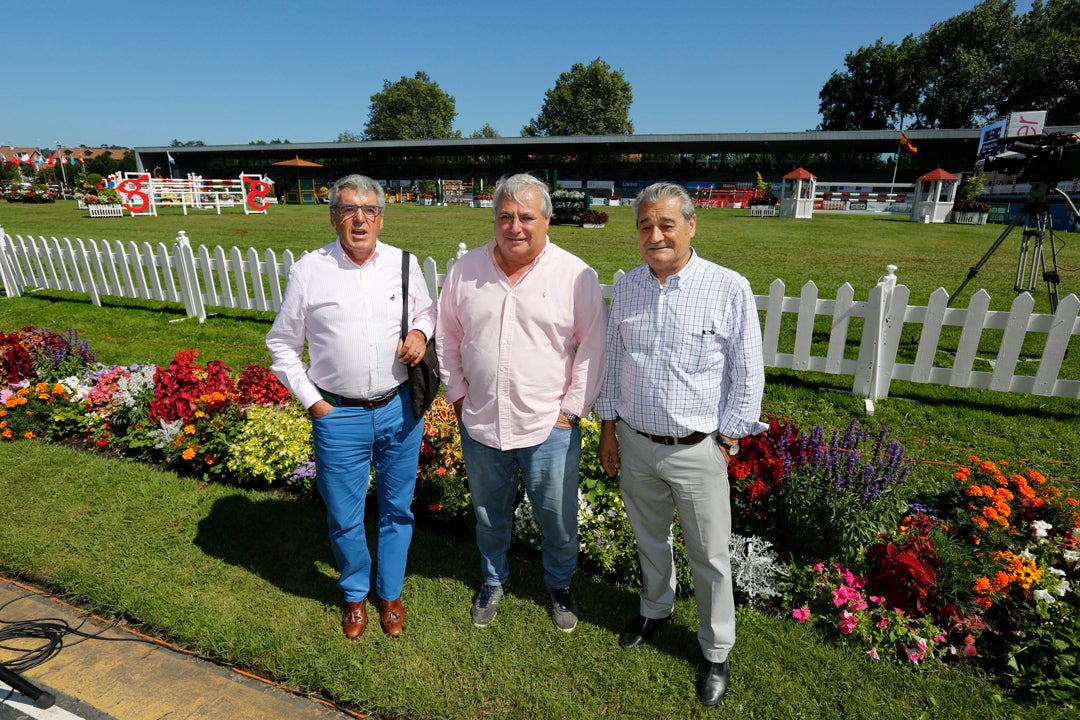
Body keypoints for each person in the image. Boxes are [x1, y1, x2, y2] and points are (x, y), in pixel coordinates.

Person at [596, 182, 766, 706]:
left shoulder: (727, 287)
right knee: (650, 539)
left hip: (698, 448)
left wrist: (729, 437)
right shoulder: (627, 287)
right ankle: (655, 609)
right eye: (645, 225)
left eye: (667, 224)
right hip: (636, 441)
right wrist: (607, 427)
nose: (655, 235)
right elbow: (614, 361)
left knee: (710, 556)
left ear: (692, 226)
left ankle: (716, 649)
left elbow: (747, 370)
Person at [266, 174, 436, 640]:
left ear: (382, 217)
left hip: (399, 408)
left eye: (369, 210)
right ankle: (355, 595)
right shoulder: (310, 269)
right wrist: (315, 403)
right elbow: (281, 344)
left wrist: (420, 333)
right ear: (333, 216)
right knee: (344, 514)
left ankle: (390, 593)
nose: (359, 219)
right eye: (348, 209)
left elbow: (427, 311)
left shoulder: (403, 263)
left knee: (398, 510)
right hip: (338, 415)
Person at [436, 173, 606, 632]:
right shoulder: (465, 271)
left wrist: (570, 412)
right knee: (490, 515)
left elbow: (593, 346)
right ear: (494, 219)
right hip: (482, 422)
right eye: (505, 216)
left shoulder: (575, 275)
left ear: (546, 219)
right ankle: (493, 579)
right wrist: (457, 396)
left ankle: (559, 583)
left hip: (548, 426)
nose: (515, 226)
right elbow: (447, 337)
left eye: (527, 217)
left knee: (557, 518)